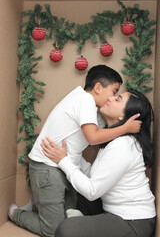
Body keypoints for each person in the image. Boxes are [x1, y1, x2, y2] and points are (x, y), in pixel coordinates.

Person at [8, 65, 141, 237]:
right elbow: (93, 137)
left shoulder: (89, 107)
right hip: (47, 167)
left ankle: (38, 204)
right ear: (98, 88)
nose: (114, 98)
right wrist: (126, 128)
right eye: (114, 92)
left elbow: (102, 130)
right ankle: (17, 214)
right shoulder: (84, 100)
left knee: (69, 221)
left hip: (63, 166)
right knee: (53, 231)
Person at [41, 89, 156, 237]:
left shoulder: (124, 146)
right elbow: (95, 175)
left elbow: (92, 190)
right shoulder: (113, 139)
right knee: (76, 194)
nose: (111, 98)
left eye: (118, 99)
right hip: (111, 211)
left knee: (65, 230)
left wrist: (63, 160)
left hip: (132, 222)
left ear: (123, 115)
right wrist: (68, 155)